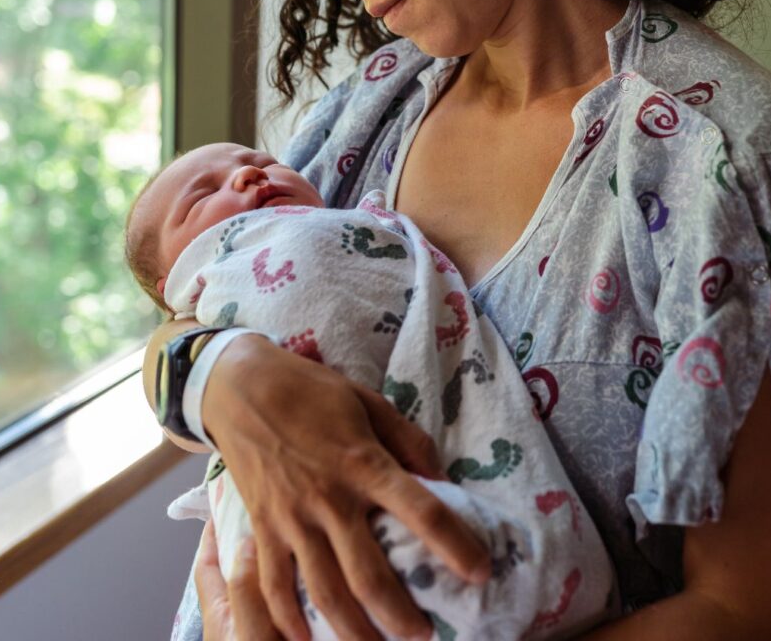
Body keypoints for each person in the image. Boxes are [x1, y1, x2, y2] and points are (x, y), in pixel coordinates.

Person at [142, 0, 771, 641]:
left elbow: (750, 608)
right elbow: (203, 282)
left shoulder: (729, 162)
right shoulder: (369, 112)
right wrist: (222, 375)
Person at [126, 141, 618, 639]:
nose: (249, 176)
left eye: (262, 163)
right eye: (201, 196)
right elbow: (173, 357)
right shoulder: (352, 123)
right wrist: (216, 368)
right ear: (178, 284)